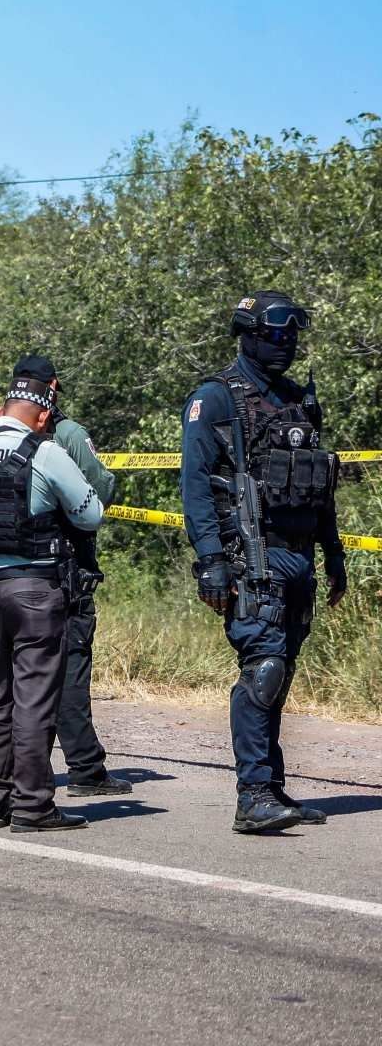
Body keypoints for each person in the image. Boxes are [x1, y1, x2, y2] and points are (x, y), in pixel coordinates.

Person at [181, 291, 345, 833]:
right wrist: (210, 562)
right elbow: (197, 487)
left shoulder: (299, 400)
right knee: (263, 669)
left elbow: (318, 486)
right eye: (276, 335)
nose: (286, 344)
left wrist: (334, 554)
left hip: (299, 557)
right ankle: (252, 795)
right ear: (248, 334)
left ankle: (271, 787)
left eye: (293, 335)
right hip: (253, 557)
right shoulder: (218, 398)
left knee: (283, 672)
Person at [0, 373, 105, 831]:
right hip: (35, 587)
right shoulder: (45, 451)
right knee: (34, 698)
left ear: (1, 409)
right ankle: (33, 806)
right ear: (44, 416)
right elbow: (91, 514)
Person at [10, 355, 131, 798]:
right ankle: (85, 770)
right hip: (67, 572)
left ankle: (15, 771)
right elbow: (103, 493)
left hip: (11, 577)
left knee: (18, 676)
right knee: (71, 671)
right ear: (54, 386)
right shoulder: (69, 435)